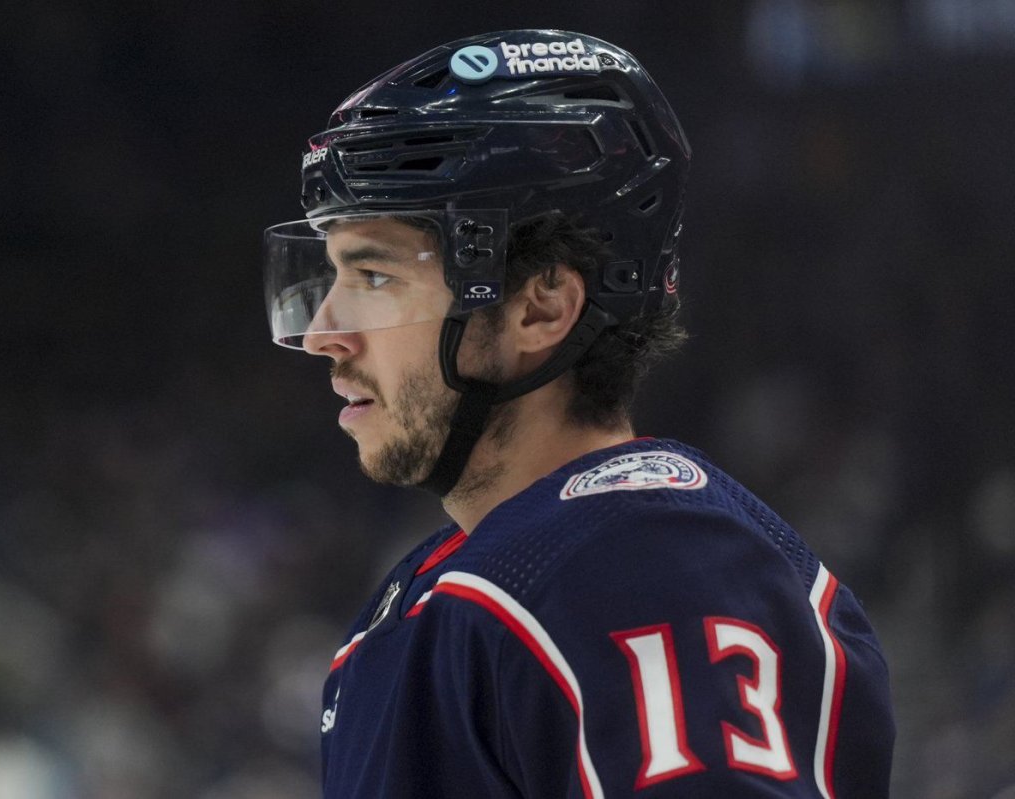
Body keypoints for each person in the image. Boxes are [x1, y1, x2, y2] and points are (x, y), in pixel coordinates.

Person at [263, 30, 895, 798]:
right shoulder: (473, 579)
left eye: (373, 272)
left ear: (541, 307)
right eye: (333, 273)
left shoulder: (652, 571)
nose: (326, 332)